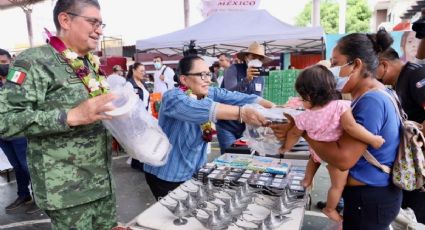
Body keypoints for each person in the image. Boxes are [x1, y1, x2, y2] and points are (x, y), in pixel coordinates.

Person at [0, 0, 118, 229]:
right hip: (67, 191)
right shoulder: (35, 61)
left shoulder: (89, 63)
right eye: (93, 22)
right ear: (65, 20)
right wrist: (69, 116)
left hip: (103, 184)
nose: (100, 30)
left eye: (102, 24)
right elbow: (4, 120)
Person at [271, 30, 402, 229]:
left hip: (369, 199)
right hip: (371, 196)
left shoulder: (371, 101)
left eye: (334, 63)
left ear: (356, 65)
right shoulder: (375, 94)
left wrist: (305, 131)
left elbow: (343, 159)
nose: (330, 70)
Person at [143, 55, 274, 200]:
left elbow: (235, 96)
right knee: (174, 216)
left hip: (194, 169)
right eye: (201, 75)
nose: (208, 79)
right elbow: (201, 109)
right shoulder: (172, 97)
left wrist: (273, 107)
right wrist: (241, 113)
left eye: (208, 74)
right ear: (184, 79)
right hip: (167, 173)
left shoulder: (206, 92)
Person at [281, 65, 385, 222]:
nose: (301, 101)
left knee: (313, 161)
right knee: (337, 186)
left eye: (302, 97)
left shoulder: (304, 117)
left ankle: (307, 180)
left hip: (317, 152)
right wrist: (373, 139)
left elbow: (294, 133)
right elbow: (352, 128)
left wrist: (285, 147)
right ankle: (329, 209)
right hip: (333, 155)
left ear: (309, 96)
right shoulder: (340, 106)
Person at [376, 44, 425, 223]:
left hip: (419, 163)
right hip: (410, 164)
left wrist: (416, 150)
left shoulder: (415, 75)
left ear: (384, 65)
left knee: (417, 218)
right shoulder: (398, 82)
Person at [0, 49, 40, 214]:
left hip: (19, 133)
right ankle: (24, 195)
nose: (1, 66)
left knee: (27, 166)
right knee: (17, 166)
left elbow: (25, 100)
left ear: (11, 61)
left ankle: (39, 198)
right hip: (3, 134)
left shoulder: (18, 77)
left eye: (3, 62)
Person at [216, 41, 272, 154]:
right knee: (229, 157)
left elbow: (257, 99)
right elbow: (229, 94)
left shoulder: (261, 76)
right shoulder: (233, 69)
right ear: (246, 57)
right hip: (228, 124)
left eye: (260, 58)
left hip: (247, 127)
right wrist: (247, 80)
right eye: (253, 56)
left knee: (246, 159)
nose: (257, 60)